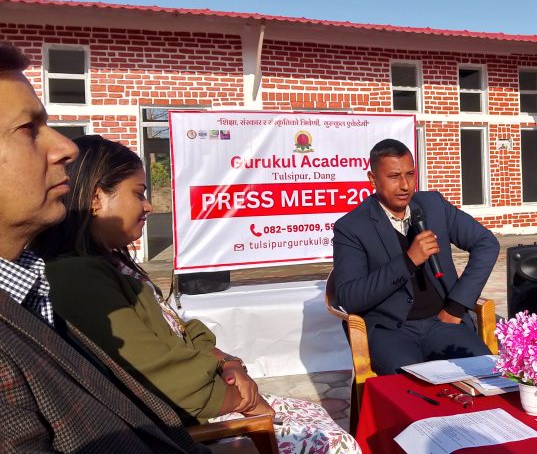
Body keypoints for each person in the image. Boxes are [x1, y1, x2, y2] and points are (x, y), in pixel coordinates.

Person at [32, 135, 360, 454]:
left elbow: (181, 331)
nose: (148, 206)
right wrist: (247, 400)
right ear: (95, 198)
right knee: (334, 443)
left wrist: (229, 364)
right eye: (139, 193)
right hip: (182, 426)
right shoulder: (76, 277)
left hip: (204, 401)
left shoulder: (110, 263)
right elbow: (162, 374)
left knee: (318, 418)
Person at [0, 43, 205, 452]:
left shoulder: (31, 289)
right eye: (29, 129)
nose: (67, 148)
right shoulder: (74, 277)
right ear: (97, 198)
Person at [332, 138, 499, 375]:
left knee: (487, 374)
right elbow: (350, 298)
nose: (405, 185)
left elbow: (487, 244)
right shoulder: (351, 227)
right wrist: (408, 261)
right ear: (372, 179)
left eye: (410, 174)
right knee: (410, 388)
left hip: (444, 323)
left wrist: (456, 306)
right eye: (394, 176)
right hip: (391, 331)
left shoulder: (433, 205)